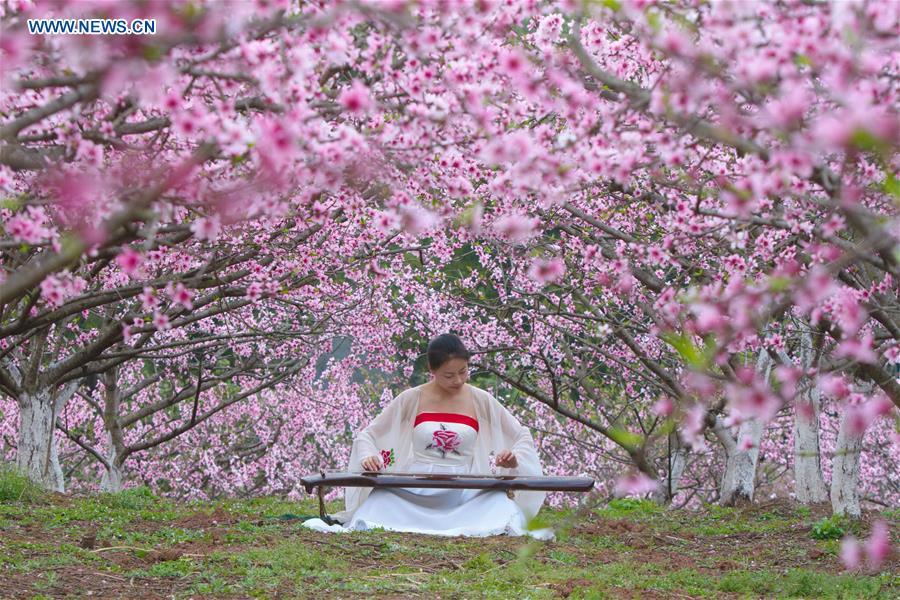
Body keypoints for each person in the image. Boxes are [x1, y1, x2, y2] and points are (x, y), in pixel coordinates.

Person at [301, 333, 553, 539]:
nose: (458, 380)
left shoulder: (480, 399)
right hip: (413, 489)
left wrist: (513, 457)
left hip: (465, 489)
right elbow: (368, 435)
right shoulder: (413, 398)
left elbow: (521, 435)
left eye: (464, 372)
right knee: (379, 503)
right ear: (432, 370)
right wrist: (369, 456)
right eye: (449, 375)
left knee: (501, 508)